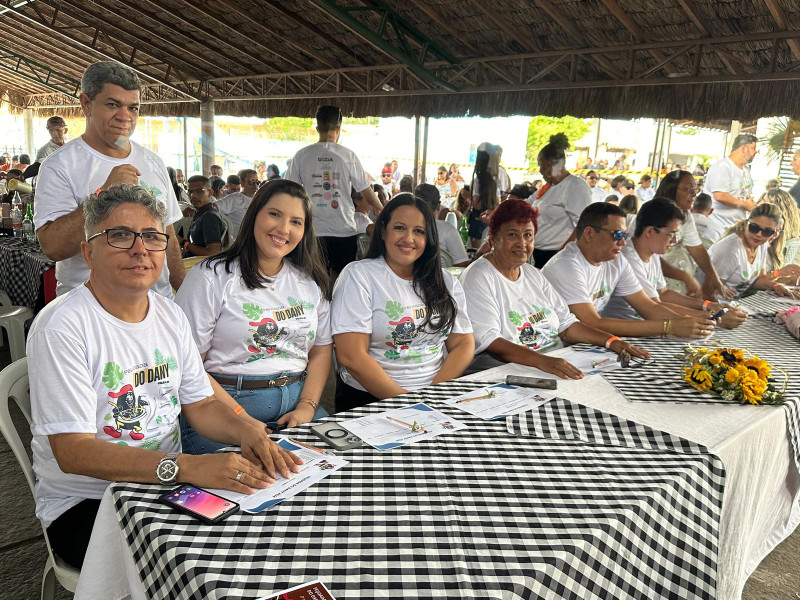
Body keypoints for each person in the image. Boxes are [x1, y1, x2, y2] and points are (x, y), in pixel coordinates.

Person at [28, 184, 301, 569]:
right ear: (88, 252)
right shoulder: (62, 327)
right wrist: (185, 467)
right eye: (120, 236)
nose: (140, 249)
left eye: (153, 237)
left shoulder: (169, 314)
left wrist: (246, 429)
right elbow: (72, 452)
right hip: (88, 502)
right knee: (200, 562)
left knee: (260, 527)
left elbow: (202, 401)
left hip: (165, 484)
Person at [175, 179, 332, 453]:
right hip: (224, 407)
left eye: (296, 222)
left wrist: (307, 408)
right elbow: (190, 366)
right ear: (254, 215)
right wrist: (241, 418)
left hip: (297, 404)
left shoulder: (310, 282)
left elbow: (320, 350)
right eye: (274, 214)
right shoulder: (211, 277)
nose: (284, 229)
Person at [33, 61, 184, 296]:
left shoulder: (153, 162)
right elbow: (52, 247)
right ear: (86, 104)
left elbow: (169, 236)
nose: (125, 117)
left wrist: (183, 292)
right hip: (89, 311)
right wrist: (103, 193)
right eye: (113, 104)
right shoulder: (60, 165)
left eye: (133, 108)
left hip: (156, 305)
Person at [460, 199, 649, 377]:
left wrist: (611, 341)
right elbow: (491, 342)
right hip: (511, 374)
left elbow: (566, 325)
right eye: (512, 235)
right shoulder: (479, 277)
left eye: (528, 235)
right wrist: (544, 362)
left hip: (553, 362)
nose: (522, 244)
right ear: (492, 239)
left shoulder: (532, 274)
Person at [330, 193, 474, 411]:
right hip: (369, 399)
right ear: (382, 230)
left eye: (419, 231)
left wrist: (433, 394)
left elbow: (463, 343)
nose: (409, 238)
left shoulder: (446, 281)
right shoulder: (359, 276)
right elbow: (351, 356)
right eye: (399, 228)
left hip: (434, 397)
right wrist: (409, 404)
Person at [541, 203, 715, 339]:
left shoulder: (616, 261)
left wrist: (691, 322)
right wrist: (669, 326)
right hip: (558, 343)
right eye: (617, 235)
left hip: (591, 339)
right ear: (589, 234)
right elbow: (592, 322)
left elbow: (648, 306)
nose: (623, 243)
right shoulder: (567, 265)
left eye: (624, 236)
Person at [603, 198, 746, 329]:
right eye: (671, 234)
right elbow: (654, 305)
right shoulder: (629, 258)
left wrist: (708, 305)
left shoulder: (651, 254)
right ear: (650, 231)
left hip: (647, 327)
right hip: (627, 330)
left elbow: (663, 294)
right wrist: (712, 314)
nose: (675, 241)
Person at [285, 105, 382, 275]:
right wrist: (382, 208)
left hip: (312, 230)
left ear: (317, 128)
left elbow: (288, 190)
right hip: (344, 229)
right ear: (338, 129)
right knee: (342, 278)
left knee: (312, 278)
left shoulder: (301, 155)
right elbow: (366, 191)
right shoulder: (348, 155)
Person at [655, 170, 732, 299]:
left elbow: (696, 248)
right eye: (688, 190)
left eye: (695, 190)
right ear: (671, 190)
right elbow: (651, 259)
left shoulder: (685, 215)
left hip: (670, 281)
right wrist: (684, 276)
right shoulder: (653, 213)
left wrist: (713, 277)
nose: (693, 195)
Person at [705, 202, 799, 299]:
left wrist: (776, 285)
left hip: (734, 302)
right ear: (746, 223)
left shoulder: (762, 245)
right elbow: (708, 290)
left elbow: (758, 281)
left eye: (767, 231)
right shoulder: (730, 249)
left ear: (774, 234)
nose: (759, 234)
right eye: (754, 228)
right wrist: (722, 311)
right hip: (714, 303)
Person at [530, 133, 592, 267]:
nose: (540, 170)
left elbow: (583, 226)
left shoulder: (575, 186)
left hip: (556, 256)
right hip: (539, 255)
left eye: (540, 164)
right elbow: (525, 204)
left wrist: (561, 255)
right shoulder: (548, 187)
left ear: (549, 163)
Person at [703, 133, 757, 230]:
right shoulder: (722, 167)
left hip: (736, 226)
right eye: (753, 148)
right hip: (718, 226)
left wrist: (751, 204)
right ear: (744, 148)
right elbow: (720, 195)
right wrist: (745, 204)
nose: (755, 152)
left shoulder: (746, 170)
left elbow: (743, 194)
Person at [415, 183, 470, 267]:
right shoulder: (447, 230)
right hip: (441, 279)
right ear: (438, 206)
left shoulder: (403, 229)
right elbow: (462, 264)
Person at [177, 175, 226, 257]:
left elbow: (213, 252)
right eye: (190, 192)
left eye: (199, 191)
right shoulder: (200, 214)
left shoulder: (210, 217)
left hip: (197, 266)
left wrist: (183, 242)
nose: (193, 195)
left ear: (210, 192)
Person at [216, 169, 258, 237]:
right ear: (242, 183)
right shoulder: (235, 198)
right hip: (240, 240)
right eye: (251, 182)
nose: (255, 185)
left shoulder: (260, 199)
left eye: (257, 182)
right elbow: (213, 207)